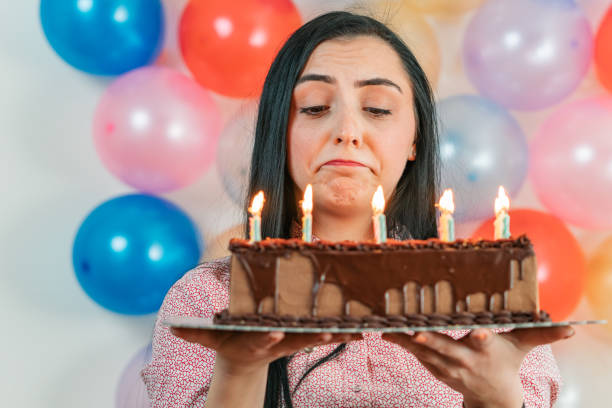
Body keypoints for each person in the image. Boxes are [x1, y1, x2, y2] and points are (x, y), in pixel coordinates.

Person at [141, 11, 572, 408]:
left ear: (414, 140)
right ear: (280, 132)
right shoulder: (209, 301)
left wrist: (495, 396)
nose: (347, 131)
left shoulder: (488, 305)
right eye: (314, 107)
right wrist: (239, 369)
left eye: (377, 109)